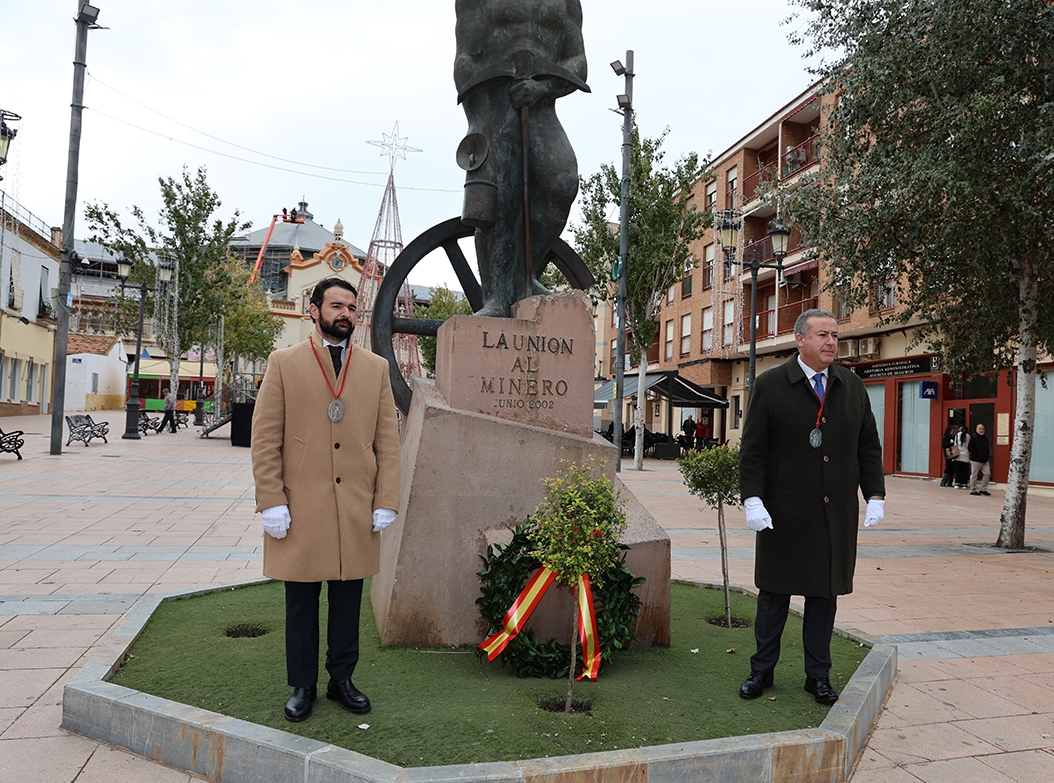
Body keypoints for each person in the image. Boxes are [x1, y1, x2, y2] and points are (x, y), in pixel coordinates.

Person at [251, 278, 401, 723]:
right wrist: (270, 500)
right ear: (314, 310)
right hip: (300, 509)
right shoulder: (284, 363)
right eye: (336, 306)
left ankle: (342, 680)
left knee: (347, 601)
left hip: (355, 507)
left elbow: (387, 441)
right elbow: (265, 440)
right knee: (300, 604)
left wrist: (385, 498)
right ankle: (303, 685)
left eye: (352, 307)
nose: (346, 314)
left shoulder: (375, 368)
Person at [738, 309, 885, 705]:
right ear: (799, 340)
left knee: (824, 598)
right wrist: (752, 497)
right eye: (822, 335)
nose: (831, 342)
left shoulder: (851, 386)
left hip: (832, 513)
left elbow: (867, 446)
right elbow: (753, 449)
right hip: (782, 512)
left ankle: (817, 676)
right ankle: (761, 670)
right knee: (773, 595)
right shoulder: (771, 386)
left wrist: (875, 494)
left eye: (835, 335)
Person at [454, 0, 589, 316]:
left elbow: (578, 62)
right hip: (492, 99)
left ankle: (521, 275)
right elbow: (465, 59)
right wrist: (480, 119)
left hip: (539, 102)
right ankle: (497, 296)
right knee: (502, 194)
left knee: (562, 182)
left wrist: (542, 88)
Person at [968, 423, 992, 496]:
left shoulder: (985, 438)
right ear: (977, 430)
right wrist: (976, 454)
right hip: (976, 460)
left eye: (983, 429)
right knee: (974, 475)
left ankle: (983, 489)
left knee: (987, 474)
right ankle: (973, 490)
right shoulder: (974, 438)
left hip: (984, 460)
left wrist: (987, 455)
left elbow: (987, 448)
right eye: (980, 429)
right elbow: (970, 448)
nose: (982, 430)